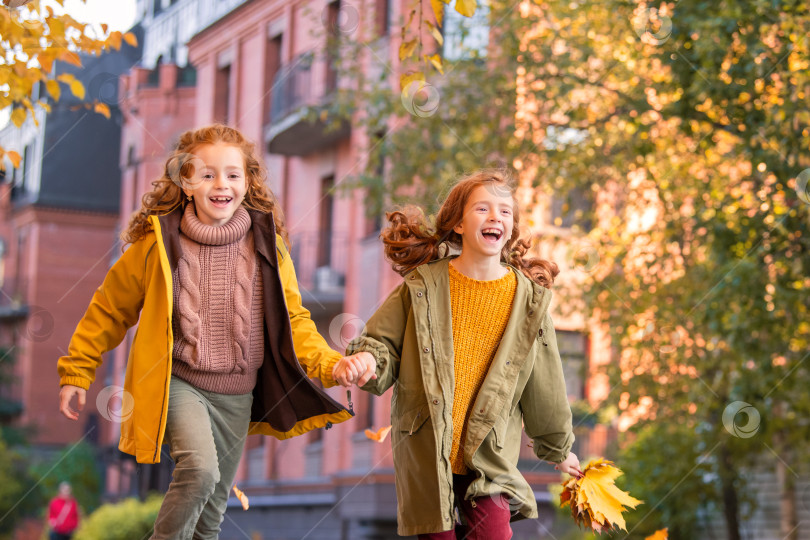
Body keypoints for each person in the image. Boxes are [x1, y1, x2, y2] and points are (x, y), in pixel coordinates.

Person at [57, 124, 354, 539]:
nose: (221, 185)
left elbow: (295, 321)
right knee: (200, 471)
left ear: (248, 182)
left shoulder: (269, 246)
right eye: (207, 174)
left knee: (211, 515)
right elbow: (109, 310)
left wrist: (332, 364)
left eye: (233, 174)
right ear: (185, 181)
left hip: (237, 394)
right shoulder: (156, 245)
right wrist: (77, 371)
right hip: (182, 383)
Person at [333, 170, 582, 539]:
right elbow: (381, 343)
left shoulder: (528, 301)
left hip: (490, 454)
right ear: (459, 224)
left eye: (505, 212)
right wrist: (367, 361)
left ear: (510, 230)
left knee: (493, 533)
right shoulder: (422, 286)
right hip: (427, 445)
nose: (495, 217)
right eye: (483, 208)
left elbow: (545, 384)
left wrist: (559, 449)